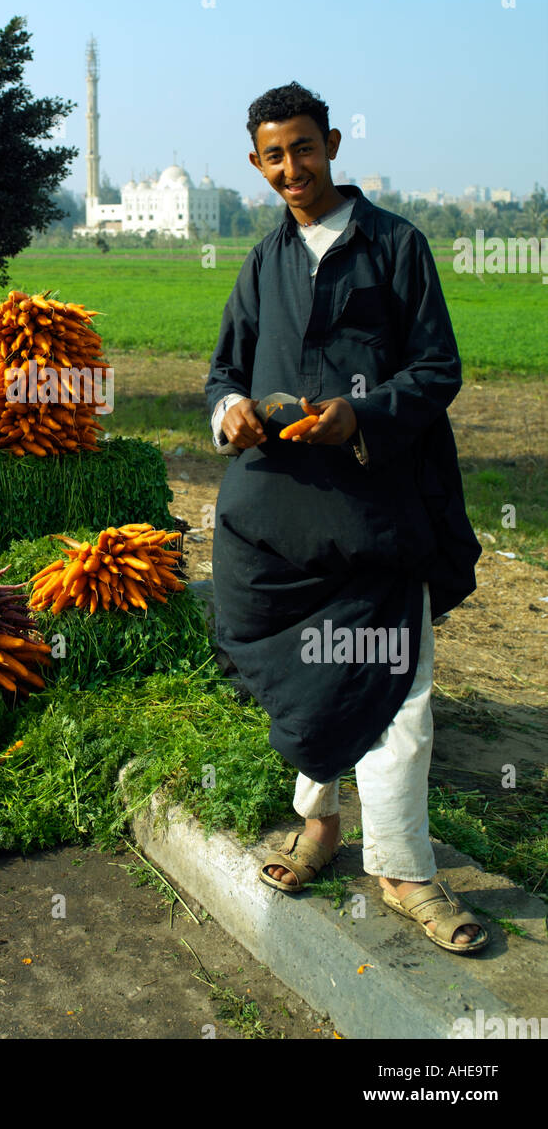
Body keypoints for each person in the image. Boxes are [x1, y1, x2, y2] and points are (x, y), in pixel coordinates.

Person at [204, 81, 487, 952]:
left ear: (332, 142)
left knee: (397, 687)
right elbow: (221, 374)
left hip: (377, 512)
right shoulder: (263, 263)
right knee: (305, 676)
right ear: (257, 165)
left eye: (304, 147)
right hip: (282, 522)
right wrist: (232, 413)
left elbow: (437, 370)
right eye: (273, 155)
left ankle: (402, 868)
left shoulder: (394, 245)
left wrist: (360, 416)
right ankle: (319, 824)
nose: (292, 167)